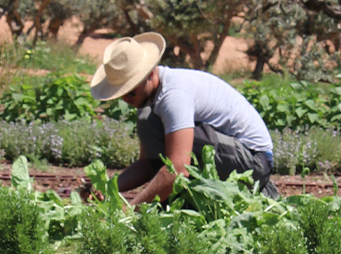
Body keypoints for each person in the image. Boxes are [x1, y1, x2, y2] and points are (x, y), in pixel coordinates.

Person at [88, 32, 278, 206]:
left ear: (150, 74)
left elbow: (178, 168)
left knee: (183, 143)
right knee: (150, 123)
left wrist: (132, 210)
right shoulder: (150, 98)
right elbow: (148, 164)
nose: (127, 99)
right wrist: (108, 186)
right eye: (121, 93)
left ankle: (253, 191)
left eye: (131, 91)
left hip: (254, 161)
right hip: (232, 154)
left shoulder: (173, 96)